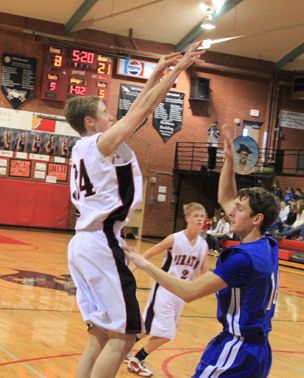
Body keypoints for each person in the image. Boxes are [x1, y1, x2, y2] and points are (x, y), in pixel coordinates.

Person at [64, 42, 205, 378]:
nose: (111, 116)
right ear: (90, 121)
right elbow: (139, 112)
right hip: (102, 243)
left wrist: (158, 71)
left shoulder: (84, 147)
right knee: (125, 336)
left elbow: (142, 108)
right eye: (104, 112)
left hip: (83, 243)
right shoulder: (100, 144)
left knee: (100, 333)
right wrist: (178, 68)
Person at [125, 123, 280, 378]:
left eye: (239, 209)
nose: (230, 211)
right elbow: (226, 196)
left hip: (237, 348)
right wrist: (229, 160)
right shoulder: (269, 244)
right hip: (260, 350)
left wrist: (144, 264)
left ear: (257, 218)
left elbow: (189, 292)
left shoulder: (243, 259)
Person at [126, 202, 209, 377]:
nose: (200, 219)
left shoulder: (203, 245)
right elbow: (149, 254)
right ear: (187, 218)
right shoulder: (175, 239)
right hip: (165, 289)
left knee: (149, 329)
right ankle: (137, 360)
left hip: (182, 294)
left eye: (202, 216)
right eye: (196, 216)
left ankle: (123, 348)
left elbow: (206, 273)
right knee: (166, 334)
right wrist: (130, 272)